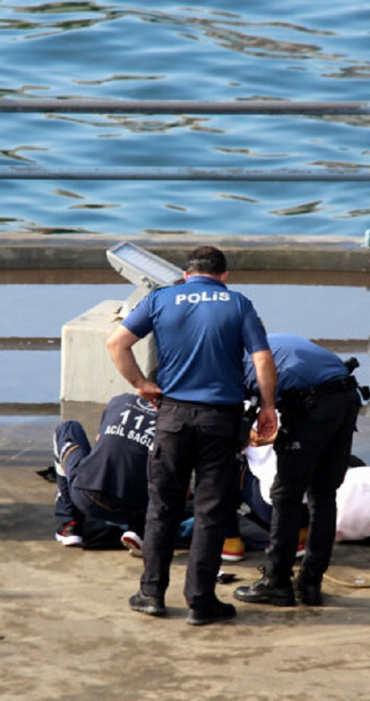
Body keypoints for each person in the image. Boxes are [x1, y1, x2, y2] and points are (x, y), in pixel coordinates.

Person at [106, 245, 278, 626]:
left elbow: (116, 343)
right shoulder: (238, 303)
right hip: (221, 421)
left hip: (172, 417)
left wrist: (141, 384)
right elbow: (262, 359)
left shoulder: (161, 298)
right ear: (224, 276)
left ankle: (151, 594)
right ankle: (200, 602)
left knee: (162, 507)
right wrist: (267, 408)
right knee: (211, 512)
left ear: (187, 274)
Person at [233, 333, 363, 607]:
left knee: (286, 495)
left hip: (312, 405)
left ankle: (276, 582)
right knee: (324, 495)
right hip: (347, 397)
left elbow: (238, 420)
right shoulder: (275, 341)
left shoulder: (239, 362)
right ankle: (311, 584)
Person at [51, 392, 156, 553]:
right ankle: (139, 530)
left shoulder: (120, 401)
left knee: (68, 428)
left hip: (88, 497)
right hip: (135, 510)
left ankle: (70, 524)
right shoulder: (176, 422)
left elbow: (100, 441)